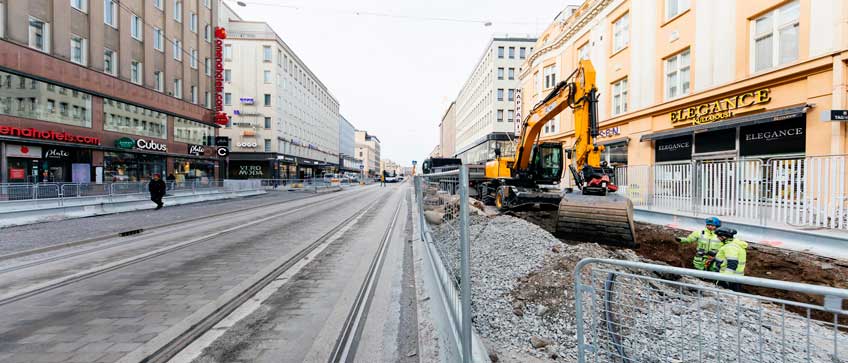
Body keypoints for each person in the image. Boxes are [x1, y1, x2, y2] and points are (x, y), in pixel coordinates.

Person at [711, 227, 748, 291]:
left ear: (724, 237)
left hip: (728, 278)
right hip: (735, 278)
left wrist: (726, 278)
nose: (717, 238)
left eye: (718, 236)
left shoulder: (730, 247)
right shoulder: (734, 244)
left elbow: (732, 263)